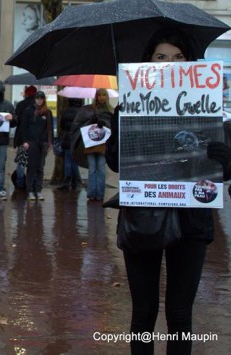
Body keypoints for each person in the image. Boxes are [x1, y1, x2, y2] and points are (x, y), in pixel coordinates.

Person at [106, 28, 215, 354]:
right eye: (161, 57)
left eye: (178, 57)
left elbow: (217, 169)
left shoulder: (204, 105)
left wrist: (223, 158)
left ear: (189, 62)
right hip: (142, 216)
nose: (170, 64)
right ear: (148, 63)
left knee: (180, 313)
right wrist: (124, 122)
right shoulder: (129, 105)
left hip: (192, 220)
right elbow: (113, 161)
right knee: (143, 311)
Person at [73, 89, 113, 201]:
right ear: (96, 96)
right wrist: (91, 121)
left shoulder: (110, 110)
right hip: (90, 144)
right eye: (99, 95)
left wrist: (104, 123)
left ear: (107, 96)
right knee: (92, 169)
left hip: (104, 145)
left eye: (103, 95)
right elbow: (79, 124)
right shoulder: (88, 109)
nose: (101, 97)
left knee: (101, 168)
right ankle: (91, 194)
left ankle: (100, 194)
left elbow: (112, 126)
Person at [15, 91, 53, 201]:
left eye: (41, 98)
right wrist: (25, 141)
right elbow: (24, 127)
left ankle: (39, 190)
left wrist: (50, 142)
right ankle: (30, 190)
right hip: (32, 142)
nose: (39, 100)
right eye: (37, 98)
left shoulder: (47, 112)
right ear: (34, 99)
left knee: (40, 167)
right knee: (31, 167)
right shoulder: (28, 111)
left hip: (43, 142)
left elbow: (49, 128)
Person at [13, 85, 38, 189]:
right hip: (34, 139)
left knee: (21, 162)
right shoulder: (38, 106)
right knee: (33, 162)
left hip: (22, 138)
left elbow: (16, 121)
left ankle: (19, 183)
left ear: (26, 93)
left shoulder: (20, 105)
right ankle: (32, 184)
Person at [56, 98, 83, 191]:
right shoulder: (80, 112)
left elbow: (62, 124)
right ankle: (75, 181)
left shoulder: (65, 111)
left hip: (67, 138)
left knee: (67, 160)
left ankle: (67, 180)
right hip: (76, 138)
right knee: (74, 160)